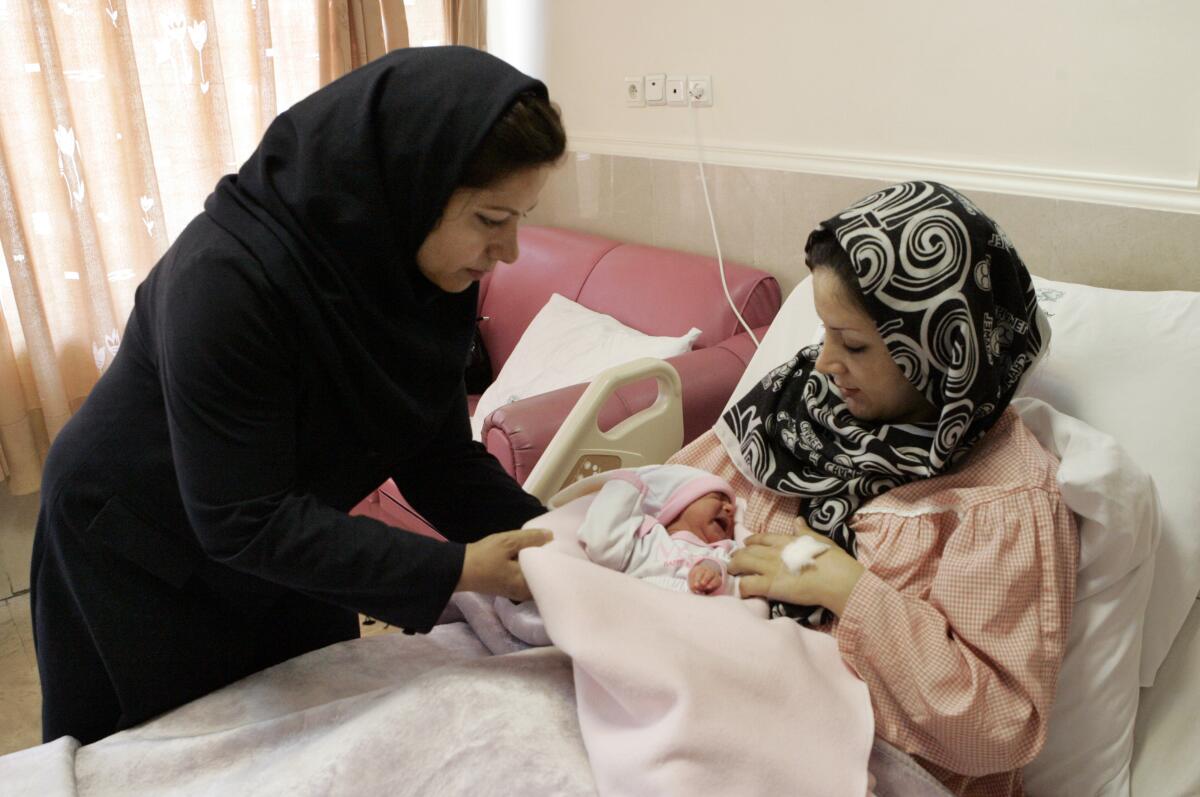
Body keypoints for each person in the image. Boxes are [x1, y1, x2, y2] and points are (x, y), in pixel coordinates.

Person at [30, 47, 566, 746]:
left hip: (287, 526)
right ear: (411, 182)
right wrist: (459, 569)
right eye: (492, 218)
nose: (510, 250)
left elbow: (436, 457)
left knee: (319, 714)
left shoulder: (427, 283)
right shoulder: (226, 281)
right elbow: (240, 518)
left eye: (521, 217)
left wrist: (556, 541)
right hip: (142, 542)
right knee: (182, 747)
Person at [671, 181, 1079, 796]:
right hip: (703, 703)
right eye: (825, 333)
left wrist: (846, 589)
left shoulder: (1001, 497)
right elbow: (670, 494)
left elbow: (997, 727)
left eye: (854, 344)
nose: (826, 362)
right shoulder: (793, 407)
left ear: (941, 348)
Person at [573, 464, 744, 596]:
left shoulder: (724, 550)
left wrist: (715, 572)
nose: (730, 509)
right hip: (637, 605)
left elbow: (742, 581)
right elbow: (602, 543)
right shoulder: (647, 536)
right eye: (718, 498)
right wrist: (624, 486)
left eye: (732, 508)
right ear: (682, 503)